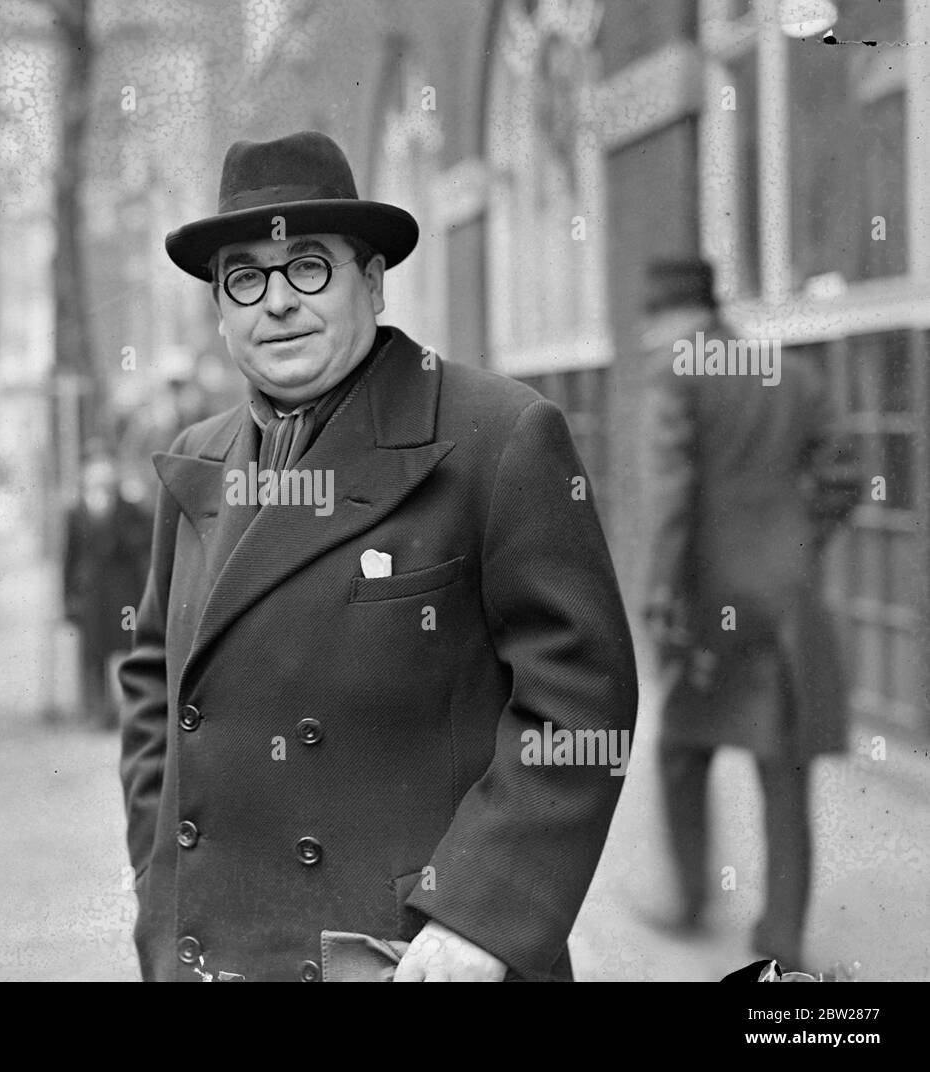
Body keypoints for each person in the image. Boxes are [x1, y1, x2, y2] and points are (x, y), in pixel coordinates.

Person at [118, 130, 637, 982]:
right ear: (220, 309)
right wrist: (159, 876)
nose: (276, 302)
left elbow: (583, 699)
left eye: (308, 266)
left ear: (372, 279)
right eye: (245, 278)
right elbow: (151, 683)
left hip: (411, 958)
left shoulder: (495, 437)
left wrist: (483, 919)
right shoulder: (197, 462)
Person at [640, 258, 861, 969]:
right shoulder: (791, 375)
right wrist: (801, 539)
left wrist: (660, 595)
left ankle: (692, 898)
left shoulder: (680, 375)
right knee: (785, 767)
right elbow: (845, 474)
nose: (649, 337)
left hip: (709, 604)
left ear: (679, 317)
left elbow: (673, 499)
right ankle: (782, 940)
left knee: (681, 748)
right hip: (785, 600)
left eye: (654, 321)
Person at [64, 456, 152, 728]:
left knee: (130, 650)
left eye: (105, 481)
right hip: (92, 594)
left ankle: (134, 709)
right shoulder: (76, 512)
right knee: (93, 654)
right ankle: (98, 712)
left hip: (123, 593)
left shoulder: (129, 509)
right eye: (95, 481)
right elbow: (70, 557)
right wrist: (68, 597)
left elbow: (141, 544)